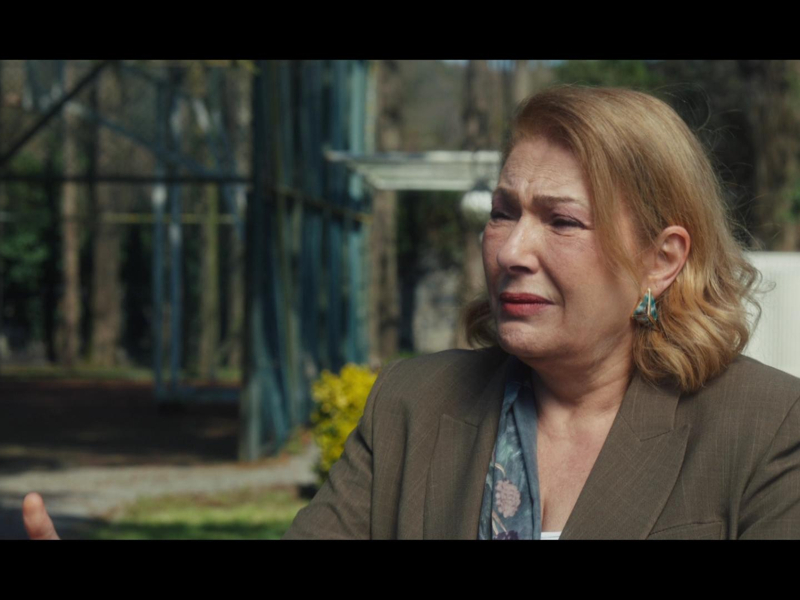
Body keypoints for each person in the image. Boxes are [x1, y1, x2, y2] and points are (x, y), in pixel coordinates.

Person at [24, 86, 800, 540]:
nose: (511, 250)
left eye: (561, 221)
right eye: (503, 212)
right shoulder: (413, 403)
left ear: (662, 259)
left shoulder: (765, 427)